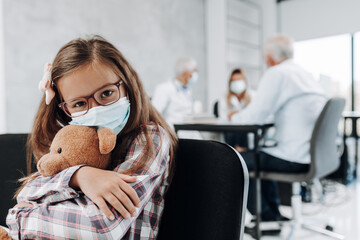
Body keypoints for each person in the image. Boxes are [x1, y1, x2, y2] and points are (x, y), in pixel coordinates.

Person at [5, 35, 177, 239]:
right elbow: (28, 191)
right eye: (79, 103)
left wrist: (21, 218)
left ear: (127, 84)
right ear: (65, 109)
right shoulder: (73, 139)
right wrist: (79, 176)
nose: (96, 109)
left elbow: (101, 227)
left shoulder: (149, 139)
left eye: (106, 93)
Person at [231, 34, 327, 222]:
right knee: (261, 154)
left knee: (235, 161)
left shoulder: (277, 73)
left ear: (269, 58)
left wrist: (233, 118)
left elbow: (254, 116)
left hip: (293, 157)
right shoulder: (306, 75)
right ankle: (271, 214)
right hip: (315, 156)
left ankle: (265, 216)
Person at [151, 57, 198, 127]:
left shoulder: (187, 91)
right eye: (194, 71)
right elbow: (154, 114)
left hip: (189, 130)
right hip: (173, 131)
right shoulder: (164, 88)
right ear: (186, 74)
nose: (196, 74)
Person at [218, 68, 252, 152]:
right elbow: (222, 120)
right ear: (230, 83)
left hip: (248, 134)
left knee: (242, 128)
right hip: (230, 134)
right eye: (233, 80)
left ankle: (241, 152)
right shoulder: (224, 98)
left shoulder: (253, 96)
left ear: (245, 81)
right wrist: (230, 116)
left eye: (239, 80)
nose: (236, 83)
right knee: (234, 128)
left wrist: (238, 114)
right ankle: (235, 154)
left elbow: (254, 116)